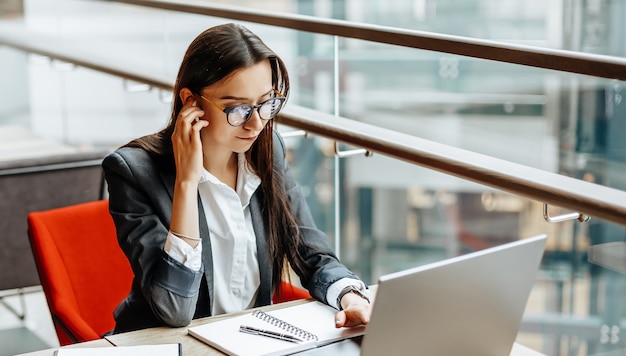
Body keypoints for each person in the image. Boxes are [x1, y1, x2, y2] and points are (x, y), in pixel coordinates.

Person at [102, 23, 372, 334]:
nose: (256, 124)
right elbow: (173, 310)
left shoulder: (268, 154)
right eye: (238, 109)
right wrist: (187, 185)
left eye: (266, 103)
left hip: (249, 341)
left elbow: (310, 253)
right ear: (191, 102)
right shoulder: (133, 171)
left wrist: (350, 297)